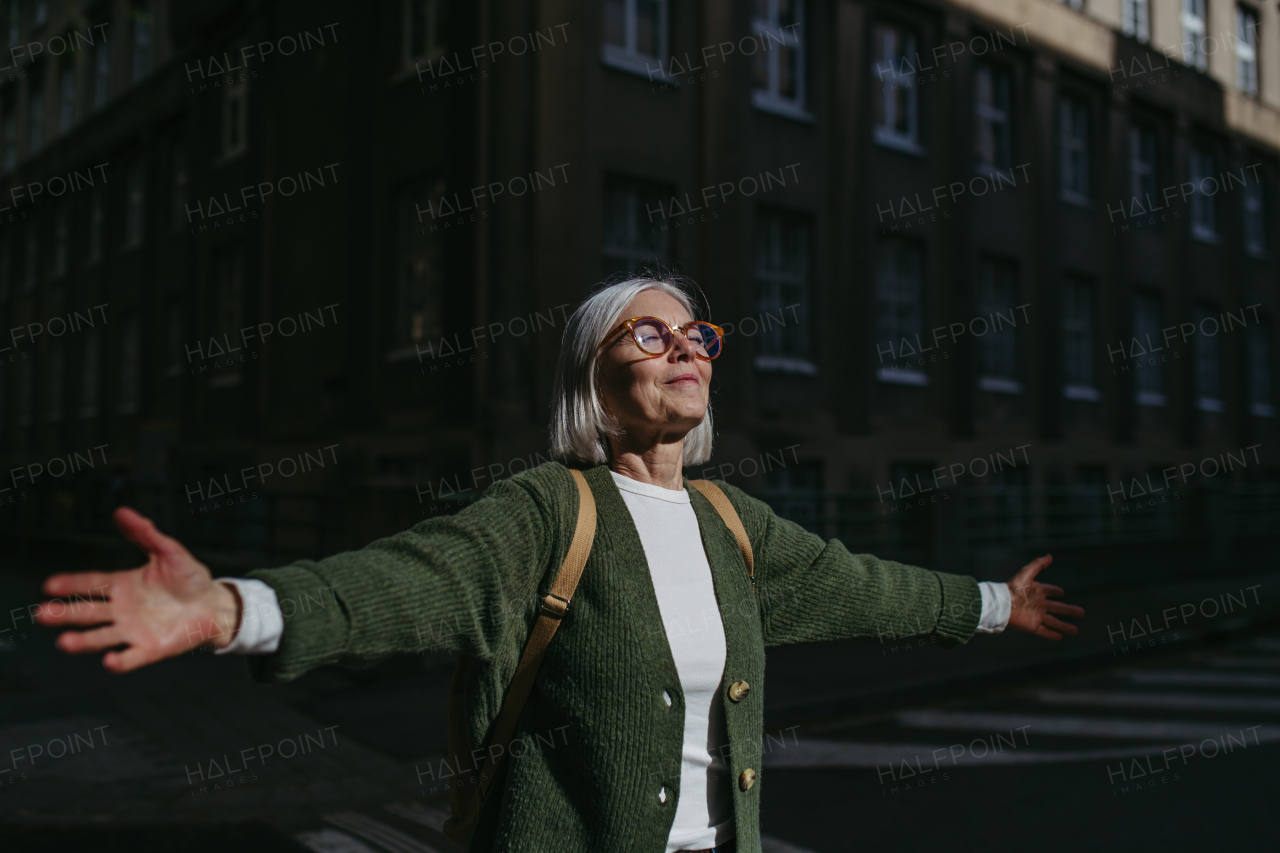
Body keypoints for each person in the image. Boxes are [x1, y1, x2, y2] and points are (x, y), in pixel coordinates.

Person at [36, 275, 1084, 853]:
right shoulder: (550, 509)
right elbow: (407, 578)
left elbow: (866, 586)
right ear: (593, 374)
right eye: (648, 334)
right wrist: (230, 605)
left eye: (698, 334)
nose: (686, 348)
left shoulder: (735, 521)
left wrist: (997, 602)